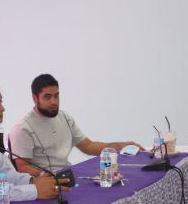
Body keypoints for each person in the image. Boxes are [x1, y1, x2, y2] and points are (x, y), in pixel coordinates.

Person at [7, 74, 143, 175]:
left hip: (68, 175)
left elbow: (88, 146)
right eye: (47, 97)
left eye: (56, 95)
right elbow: (22, 166)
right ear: (35, 98)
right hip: (46, 184)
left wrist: (120, 146)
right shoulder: (23, 128)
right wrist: (48, 177)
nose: (54, 101)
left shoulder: (65, 117)